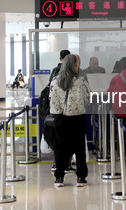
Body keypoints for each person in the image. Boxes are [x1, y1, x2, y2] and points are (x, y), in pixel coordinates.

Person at [49, 54, 91, 187]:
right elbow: (87, 99)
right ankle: (81, 178)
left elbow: (52, 100)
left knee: (60, 148)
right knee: (79, 148)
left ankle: (59, 177)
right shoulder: (81, 81)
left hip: (60, 118)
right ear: (74, 65)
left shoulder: (55, 81)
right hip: (77, 117)